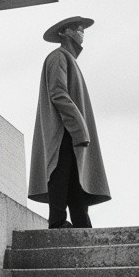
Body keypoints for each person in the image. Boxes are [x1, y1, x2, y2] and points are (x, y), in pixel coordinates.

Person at [28, 15, 110, 228]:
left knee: (75, 175)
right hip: (63, 128)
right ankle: (56, 222)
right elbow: (58, 94)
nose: (82, 32)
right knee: (61, 170)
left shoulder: (68, 59)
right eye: (77, 28)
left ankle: (82, 224)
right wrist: (79, 128)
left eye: (82, 29)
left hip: (69, 128)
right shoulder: (58, 57)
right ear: (64, 33)